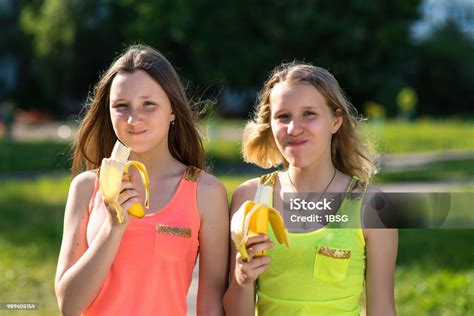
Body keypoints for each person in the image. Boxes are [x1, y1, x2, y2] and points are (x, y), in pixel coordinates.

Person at [55, 45, 229, 315]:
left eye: (149, 104)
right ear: (109, 112)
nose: (134, 119)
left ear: (172, 110)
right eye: (121, 106)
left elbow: (212, 304)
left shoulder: (206, 192)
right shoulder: (86, 187)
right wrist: (113, 227)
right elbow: (68, 305)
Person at [223, 62, 398, 315]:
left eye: (309, 114)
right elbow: (235, 311)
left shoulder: (372, 206)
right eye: (283, 117)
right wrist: (243, 278)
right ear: (270, 125)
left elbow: (382, 308)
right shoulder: (250, 198)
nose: (294, 129)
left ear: (336, 121)